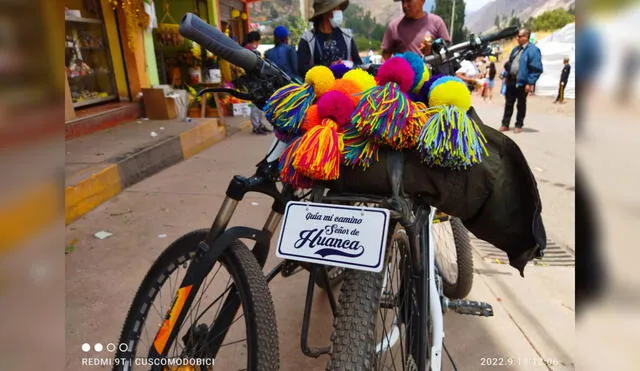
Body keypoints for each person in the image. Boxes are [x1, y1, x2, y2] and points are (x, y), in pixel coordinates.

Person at [297, 0, 363, 77]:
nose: (340, 12)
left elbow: (359, 64)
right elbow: (302, 69)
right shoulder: (307, 39)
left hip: (344, 86)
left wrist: (347, 66)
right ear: (326, 13)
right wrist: (329, 67)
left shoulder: (347, 36)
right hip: (320, 87)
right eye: (336, 9)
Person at [499, 28, 543, 133]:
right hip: (511, 80)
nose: (516, 38)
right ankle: (505, 124)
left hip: (522, 82)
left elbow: (536, 68)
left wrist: (530, 82)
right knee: (508, 103)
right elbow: (510, 63)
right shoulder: (515, 49)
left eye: (519, 36)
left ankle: (519, 124)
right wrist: (506, 75)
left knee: (521, 104)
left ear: (526, 37)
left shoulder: (533, 50)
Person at [382, 0, 451, 60]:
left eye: (409, 1)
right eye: (403, 1)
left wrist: (431, 50)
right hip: (403, 74)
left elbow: (447, 53)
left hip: (431, 74)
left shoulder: (437, 22)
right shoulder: (394, 26)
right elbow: (385, 56)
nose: (405, 5)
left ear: (422, 1)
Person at [242, 31, 272, 135]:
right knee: (255, 105)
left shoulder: (248, 50)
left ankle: (260, 124)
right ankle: (256, 126)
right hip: (253, 82)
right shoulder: (249, 51)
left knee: (259, 104)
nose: (258, 43)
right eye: (258, 41)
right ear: (255, 40)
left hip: (256, 81)